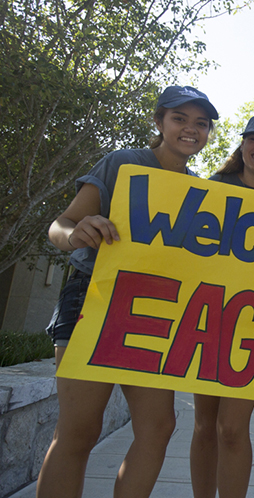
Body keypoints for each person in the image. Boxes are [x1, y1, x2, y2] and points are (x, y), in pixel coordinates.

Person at [38, 86, 218, 498]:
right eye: (180, 119)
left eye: (201, 123)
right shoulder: (122, 163)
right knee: (79, 431)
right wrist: (75, 234)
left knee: (158, 427)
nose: (190, 129)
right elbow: (61, 224)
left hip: (155, 311)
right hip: (93, 298)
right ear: (159, 122)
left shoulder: (204, 194)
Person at [189, 114, 254, 498]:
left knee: (232, 427)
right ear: (242, 144)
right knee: (204, 425)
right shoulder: (212, 188)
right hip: (206, 317)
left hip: (252, 325)